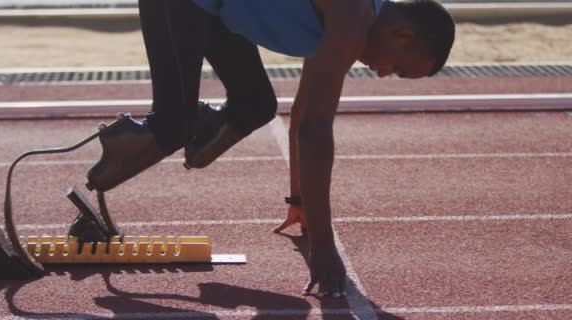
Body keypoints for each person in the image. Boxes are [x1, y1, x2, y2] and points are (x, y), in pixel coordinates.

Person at [86, 0, 455, 298]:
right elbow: (314, 130)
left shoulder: (350, 21)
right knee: (173, 124)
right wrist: (323, 248)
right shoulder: (351, 15)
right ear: (403, 35)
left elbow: (302, 114)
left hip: (215, 12)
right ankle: (111, 166)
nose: (383, 73)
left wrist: (298, 199)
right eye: (398, 69)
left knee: (256, 103)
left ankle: (179, 128)